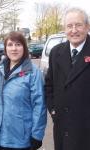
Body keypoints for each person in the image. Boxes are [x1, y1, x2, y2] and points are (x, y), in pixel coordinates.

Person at [0, 31, 47, 150]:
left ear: (24, 47)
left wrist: (37, 135)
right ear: (5, 48)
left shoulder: (33, 72)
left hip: (22, 140)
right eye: (10, 45)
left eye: (18, 44)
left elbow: (39, 105)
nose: (14, 49)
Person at [45, 7, 90, 150]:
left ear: (87, 27)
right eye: (69, 26)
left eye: (78, 25)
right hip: (63, 126)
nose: (74, 30)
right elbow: (49, 85)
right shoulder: (56, 52)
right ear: (64, 29)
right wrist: (53, 109)